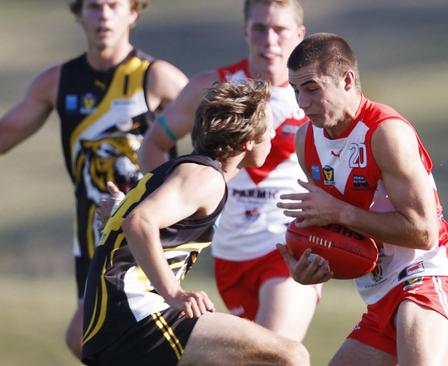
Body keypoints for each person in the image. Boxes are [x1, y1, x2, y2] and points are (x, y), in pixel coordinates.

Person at [0, 0, 188, 358]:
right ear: (78, 13)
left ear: (134, 12)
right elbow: (6, 134)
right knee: (90, 339)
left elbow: (216, 128)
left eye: (114, 5)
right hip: (90, 231)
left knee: (93, 334)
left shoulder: (156, 77)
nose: (103, 15)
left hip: (146, 229)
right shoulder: (57, 82)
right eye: (94, 6)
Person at [277, 33, 448, 366]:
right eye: (296, 90)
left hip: (426, 277)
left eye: (312, 89)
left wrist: (339, 212)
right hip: (380, 295)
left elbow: (424, 232)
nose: (302, 102)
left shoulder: (385, 133)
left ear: (347, 80)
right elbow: (336, 234)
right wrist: (309, 263)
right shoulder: (305, 141)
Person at [81, 80, 310, 366]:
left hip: (116, 323)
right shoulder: (205, 177)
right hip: (133, 317)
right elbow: (139, 222)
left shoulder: (190, 171)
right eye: (269, 128)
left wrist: (118, 211)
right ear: (247, 140)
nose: (274, 134)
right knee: (289, 356)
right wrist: (173, 293)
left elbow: (137, 218)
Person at [138, 0, 318, 341]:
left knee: (275, 353)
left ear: (299, 34)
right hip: (229, 251)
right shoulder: (213, 89)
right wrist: (175, 210)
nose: (270, 40)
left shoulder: (316, 95)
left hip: (288, 245)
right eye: (260, 29)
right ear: (245, 32)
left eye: (280, 29)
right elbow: (153, 144)